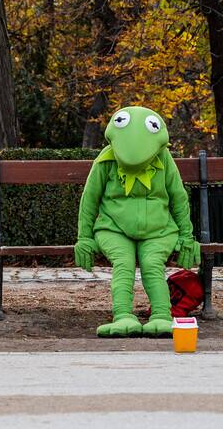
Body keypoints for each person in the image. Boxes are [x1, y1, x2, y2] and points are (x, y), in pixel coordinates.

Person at [73, 107, 201, 337]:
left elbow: (178, 198)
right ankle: (122, 316)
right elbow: (89, 200)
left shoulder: (164, 159)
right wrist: (84, 237)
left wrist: (186, 236)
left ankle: (162, 316)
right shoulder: (106, 161)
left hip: (159, 230)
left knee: (152, 264)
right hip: (113, 229)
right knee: (123, 262)